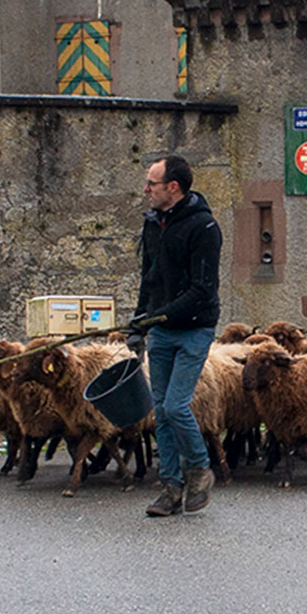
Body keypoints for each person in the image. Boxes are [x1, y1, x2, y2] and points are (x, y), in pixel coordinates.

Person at [133, 152, 221, 517]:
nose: (146, 189)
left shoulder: (204, 229)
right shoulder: (153, 224)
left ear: (173, 187)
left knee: (175, 404)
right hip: (161, 329)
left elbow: (202, 289)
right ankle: (170, 487)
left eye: (151, 183)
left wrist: (160, 315)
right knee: (161, 412)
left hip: (194, 328)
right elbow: (149, 277)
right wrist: (140, 321)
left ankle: (200, 469)